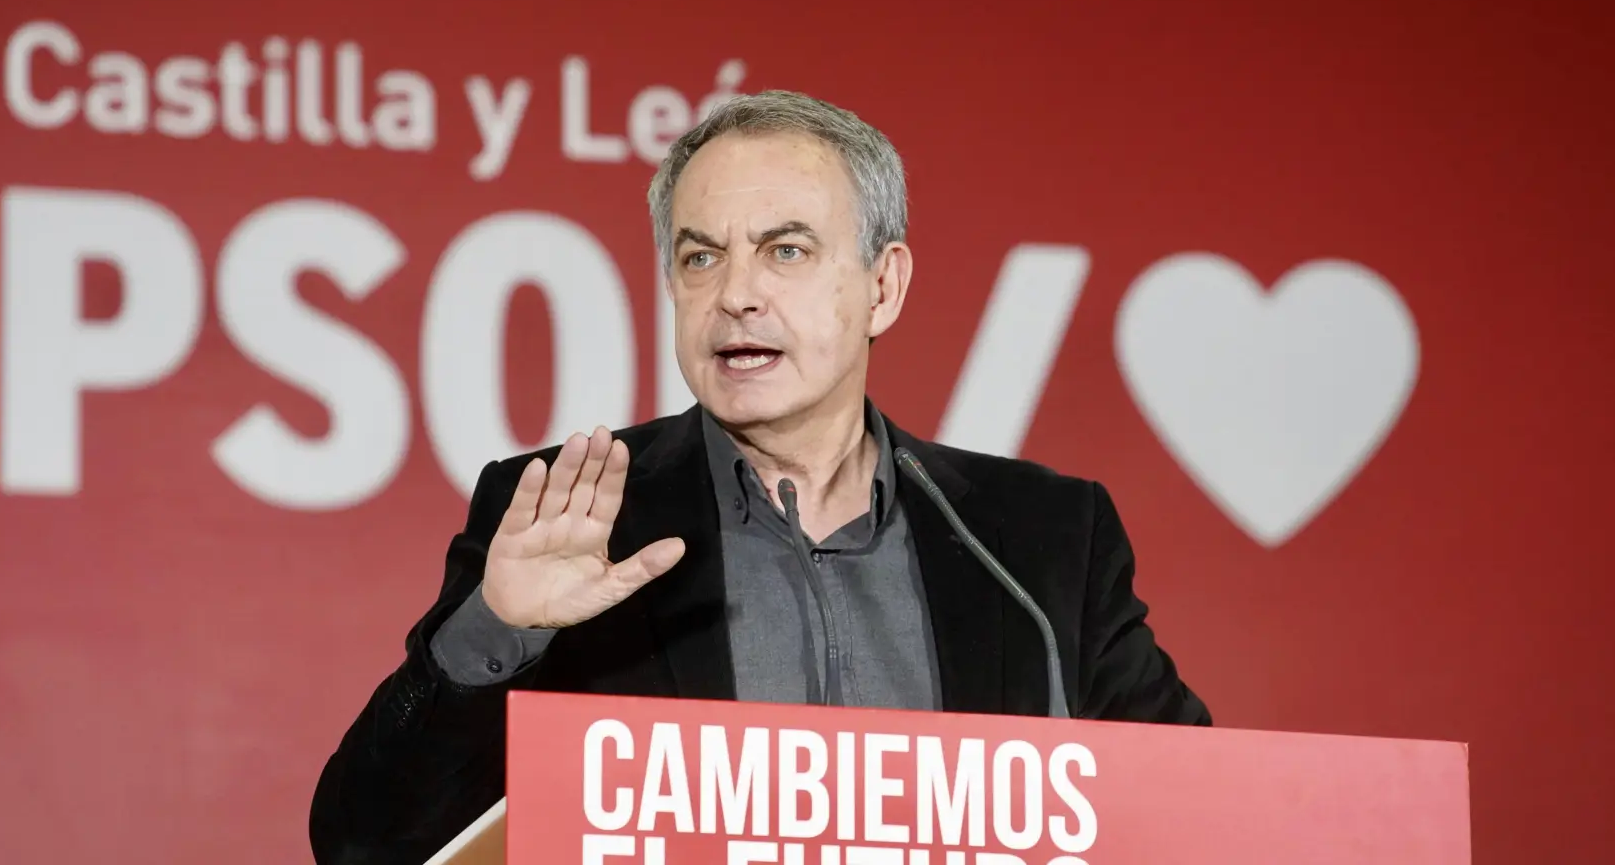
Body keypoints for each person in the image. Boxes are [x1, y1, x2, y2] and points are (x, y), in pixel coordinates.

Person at [308, 90, 1209, 864]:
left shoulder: (1038, 540)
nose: (735, 294)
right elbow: (363, 844)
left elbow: (1203, 820)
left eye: (786, 250)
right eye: (700, 257)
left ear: (883, 287)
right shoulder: (574, 516)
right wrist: (498, 632)